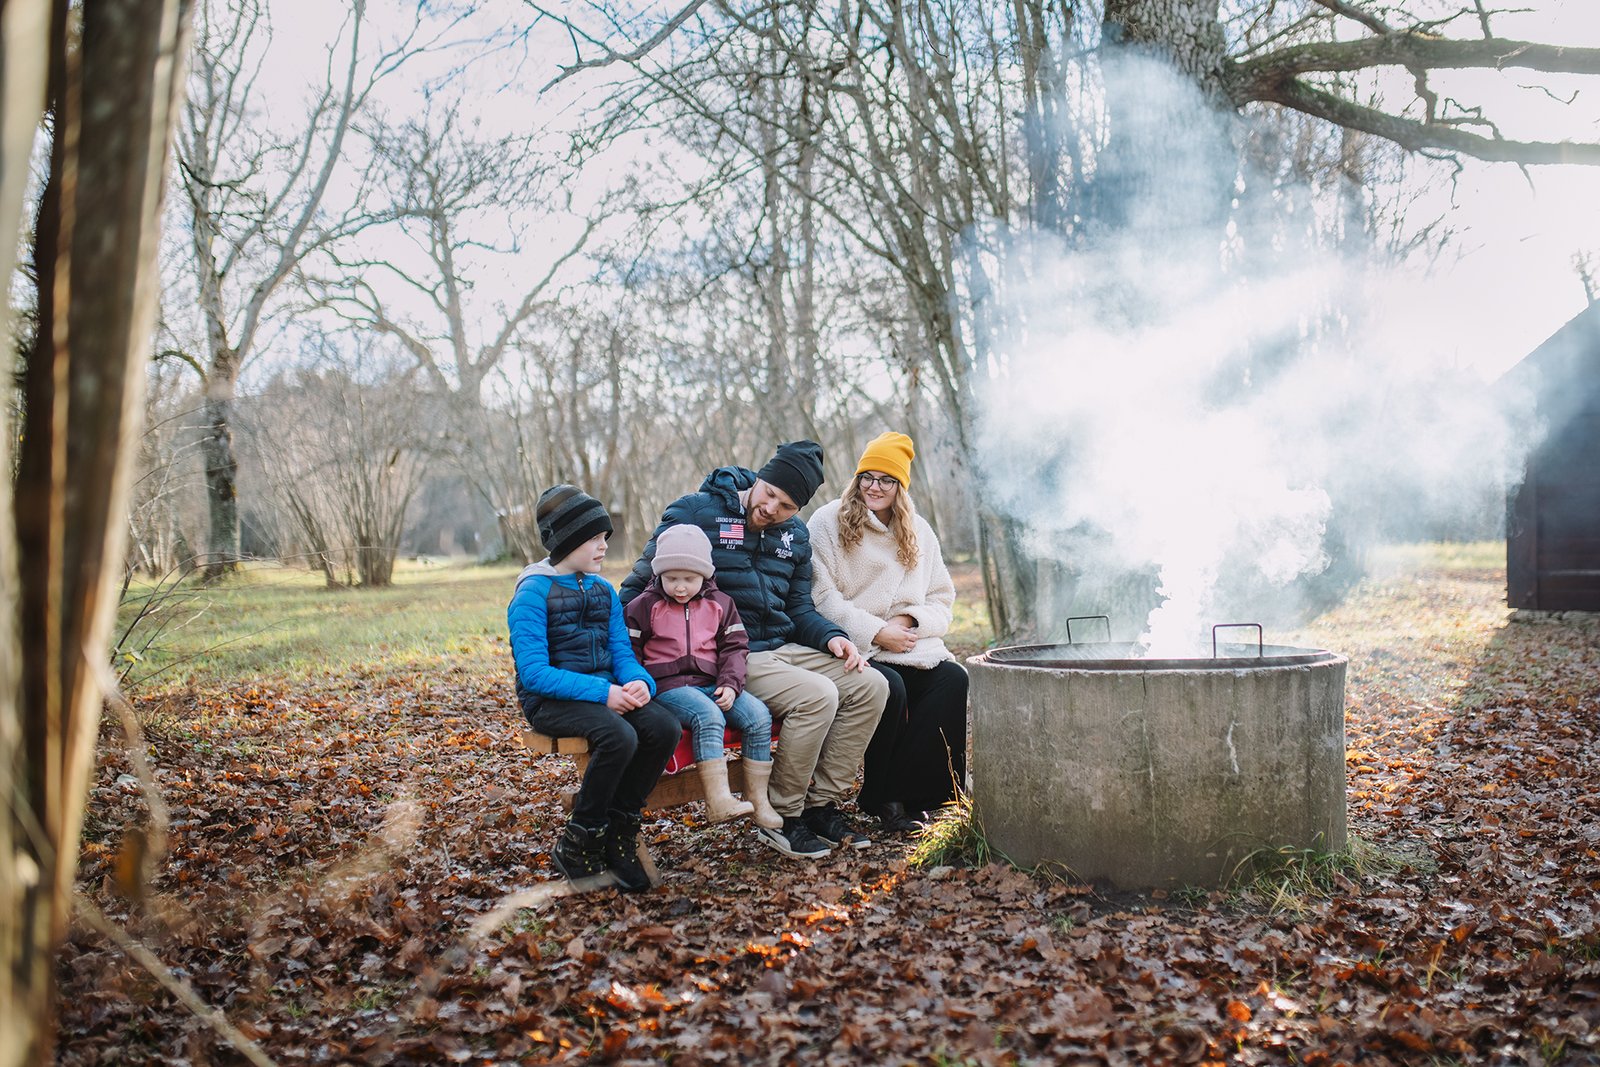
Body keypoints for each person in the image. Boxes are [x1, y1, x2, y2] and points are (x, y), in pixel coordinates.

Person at [622, 441, 889, 860]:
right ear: (759, 479)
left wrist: (832, 637)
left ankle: (820, 804)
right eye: (769, 494)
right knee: (817, 696)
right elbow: (639, 586)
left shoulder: (795, 536)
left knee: (871, 685)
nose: (771, 509)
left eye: (786, 506)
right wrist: (621, 659)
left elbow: (798, 607)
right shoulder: (697, 513)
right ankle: (782, 815)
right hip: (728, 653)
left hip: (783, 645)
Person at [508, 484, 681, 892]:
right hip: (551, 700)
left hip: (605, 692)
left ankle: (621, 831)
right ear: (567, 540)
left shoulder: (603, 590)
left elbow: (622, 653)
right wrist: (604, 694)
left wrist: (639, 682)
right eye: (594, 538)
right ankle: (580, 838)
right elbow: (534, 673)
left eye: (605, 537)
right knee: (618, 735)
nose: (604, 546)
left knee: (663, 728)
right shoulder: (532, 593)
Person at [807, 432, 969, 835]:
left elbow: (941, 597)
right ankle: (884, 796)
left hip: (909, 643)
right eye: (867, 476)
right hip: (852, 643)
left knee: (952, 679)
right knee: (890, 686)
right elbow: (821, 595)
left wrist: (911, 623)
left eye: (886, 480)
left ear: (900, 487)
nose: (874, 487)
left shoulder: (919, 531)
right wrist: (876, 632)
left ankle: (932, 795)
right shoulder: (828, 522)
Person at [624, 523, 782, 829]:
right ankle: (718, 800)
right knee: (708, 715)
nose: (680, 587)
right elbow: (628, 652)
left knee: (759, 716)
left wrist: (730, 684)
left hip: (711, 682)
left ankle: (758, 800)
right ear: (658, 575)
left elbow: (736, 648)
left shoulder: (721, 605)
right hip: (667, 687)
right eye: (671, 579)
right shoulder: (643, 606)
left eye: (689, 579)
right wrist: (639, 682)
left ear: (706, 575)